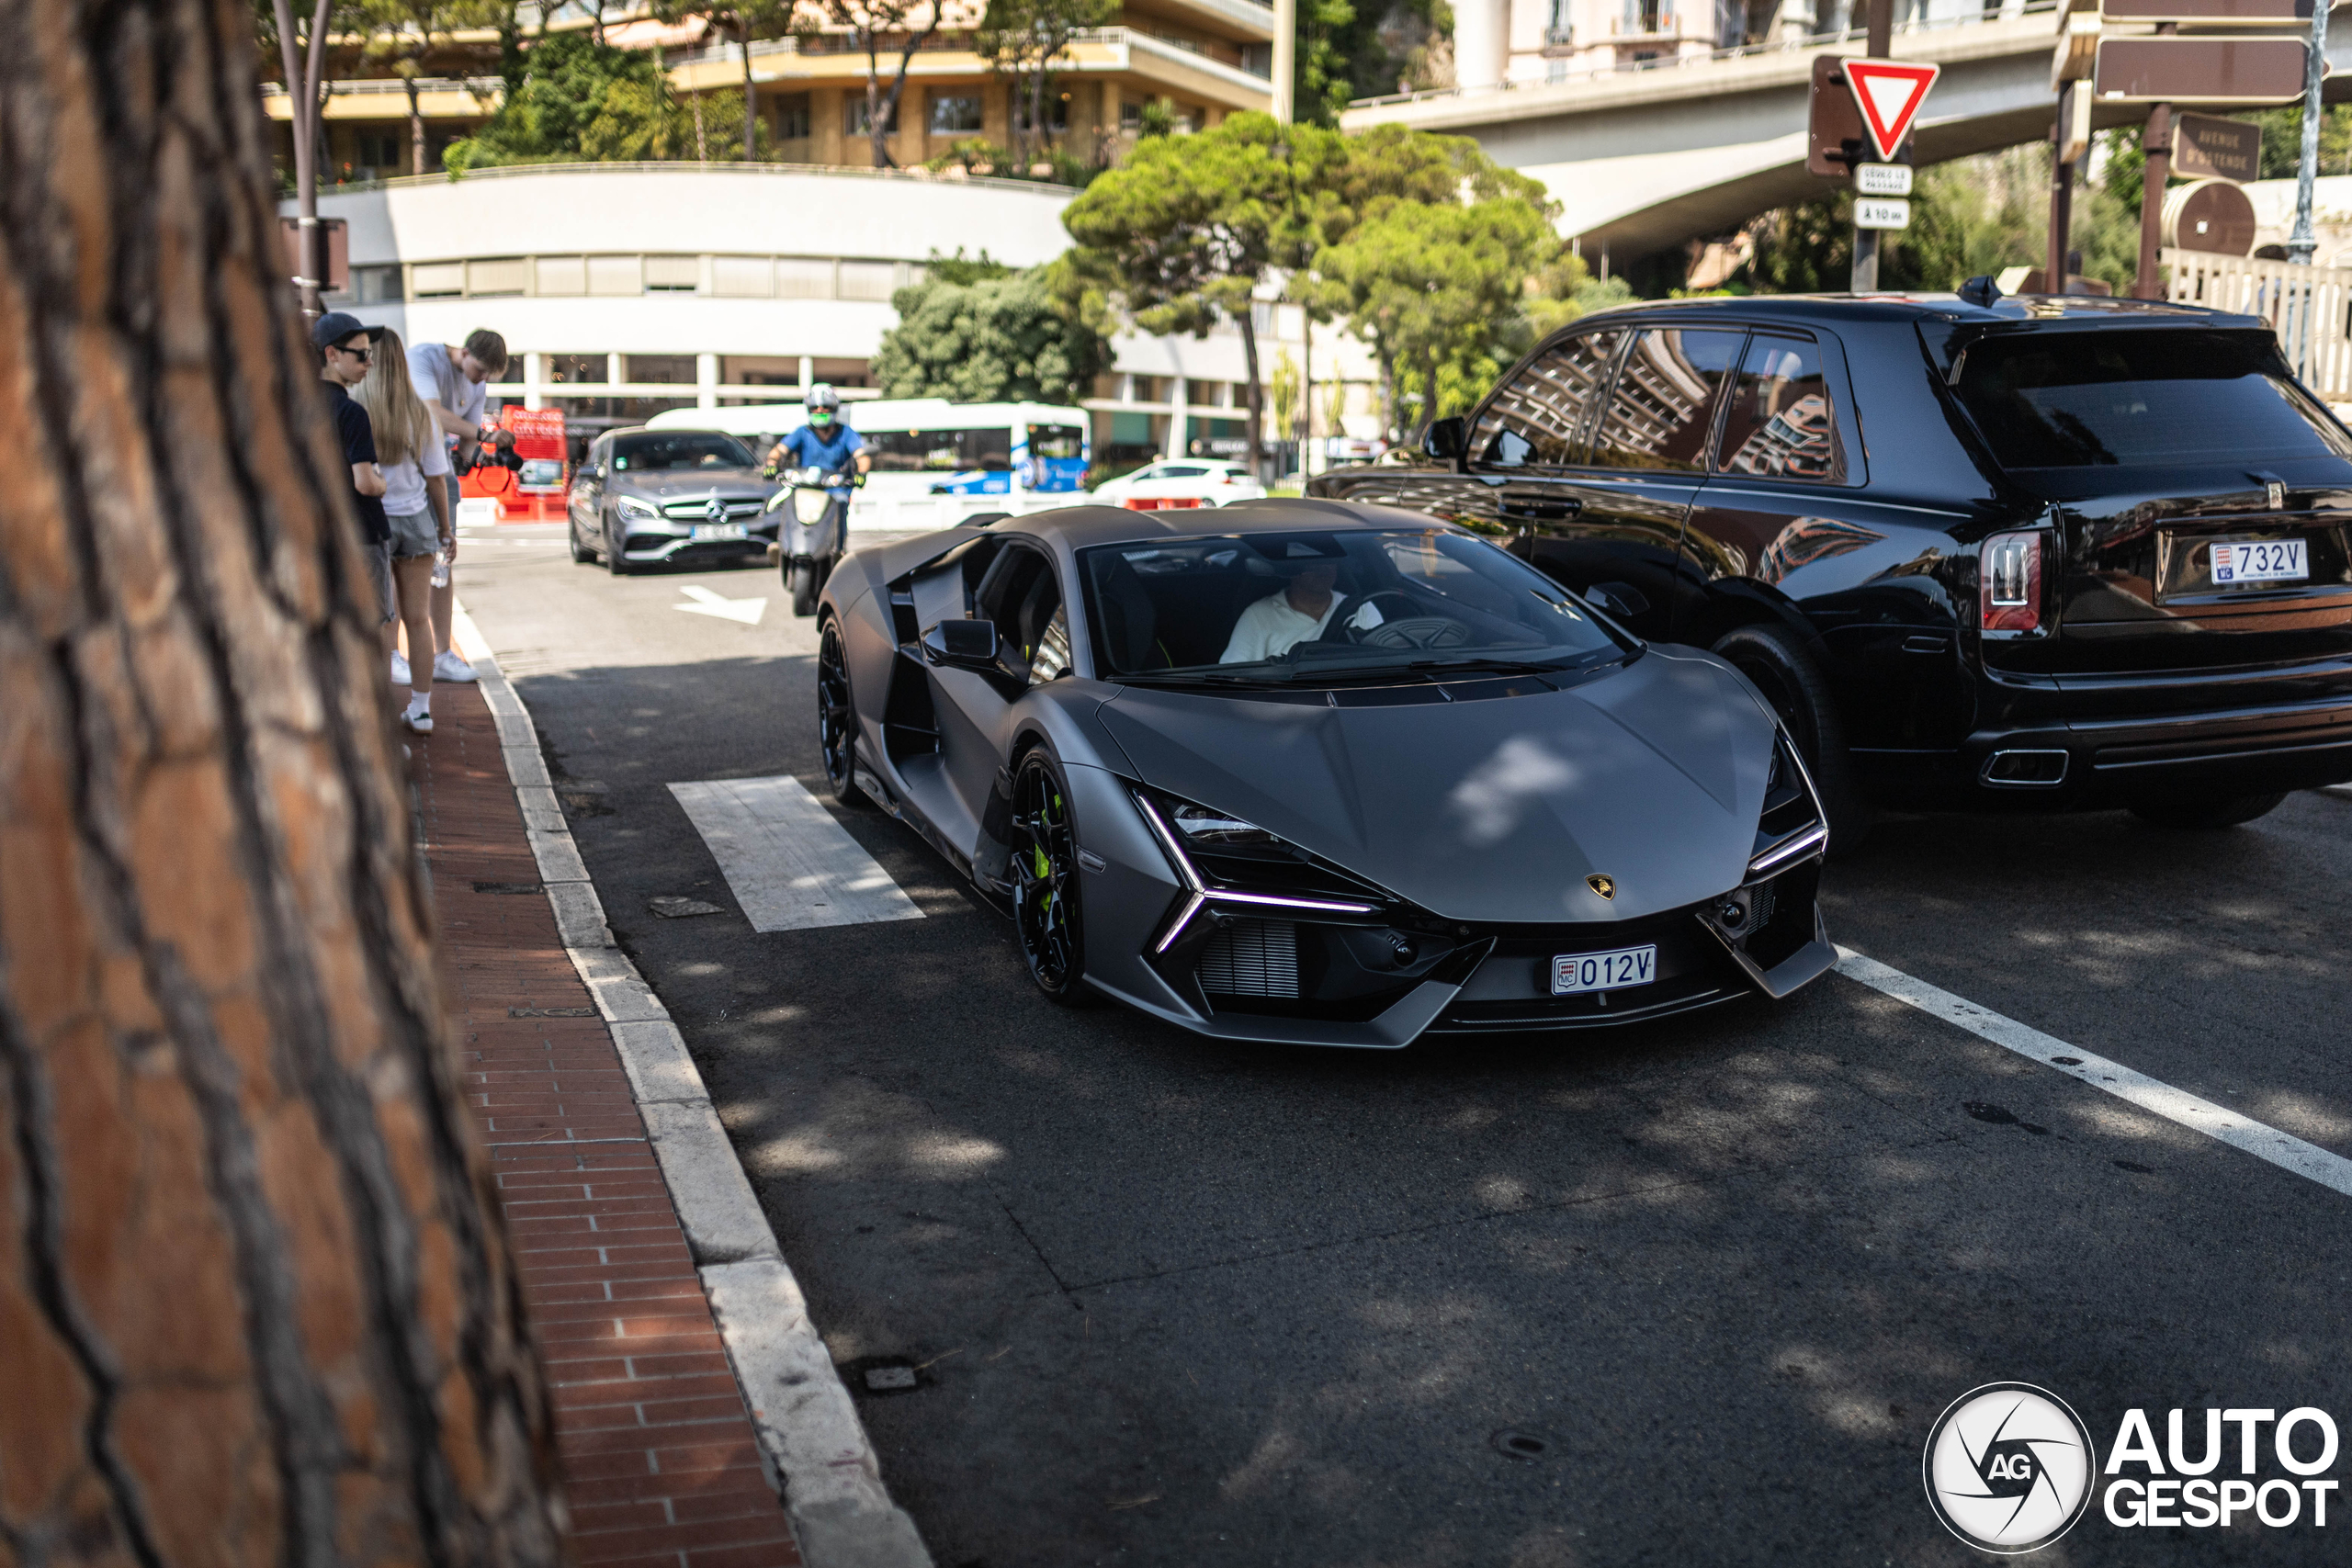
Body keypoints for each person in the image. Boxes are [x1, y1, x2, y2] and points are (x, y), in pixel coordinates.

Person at [356, 328, 454, 736]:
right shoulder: (420, 414)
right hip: (416, 520)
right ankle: (421, 708)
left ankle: (378, 714)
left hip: (372, 521)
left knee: (380, 621)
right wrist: (446, 531)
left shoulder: (356, 408)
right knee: (418, 618)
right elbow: (436, 479)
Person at [404, 329, 508, 684]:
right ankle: (392, 653)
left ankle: (443, 654)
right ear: (463, 352)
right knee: (397, 558)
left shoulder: (477, 382)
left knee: (442, 560)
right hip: (405, 465)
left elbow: (469, 435)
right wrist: (484, 436)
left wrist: (472, 457)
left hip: (440, 469)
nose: (480, 380)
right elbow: (431, 412)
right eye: (478, 370)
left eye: (486, 376)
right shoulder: (423, 358)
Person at [314, 312, 392, 660]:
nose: (370, 362)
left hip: (318, 536)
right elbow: (365, 483)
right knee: (370, 637)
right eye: (361, 354)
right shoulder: (351, 413)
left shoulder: (296, 406)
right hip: (361, 534)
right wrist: (382, 484)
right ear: (332, 354)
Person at [1220, 561, 1349, 663]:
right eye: (1312, 562)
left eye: (1329, 559)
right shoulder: (1258, 615)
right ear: (1292, 570)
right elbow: (1233, 675)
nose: (1323, 567)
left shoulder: (1356, 608)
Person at [765, 384, 872, 494]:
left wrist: (862, 473)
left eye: (825, 407)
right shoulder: (802, 432)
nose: (819, 411)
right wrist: (771, 464)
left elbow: (861, 456)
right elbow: (779, 450)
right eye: (814, 408)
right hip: (805, 491)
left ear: (834, 408)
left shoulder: (846, 432)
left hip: (837, 493)